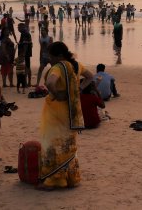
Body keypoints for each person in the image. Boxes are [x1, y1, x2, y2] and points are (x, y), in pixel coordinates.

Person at [38, 41, 93, 190]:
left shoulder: (59, 67)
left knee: (53, 143)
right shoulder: (76, 65)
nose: (50, 59)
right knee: (68, 143)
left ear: (60, 55)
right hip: (72, 110)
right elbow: (90, 77)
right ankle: (70, 179)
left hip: (56, 112)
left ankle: (55, 180)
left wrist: (56, 94)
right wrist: (78, 89)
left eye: (51, 56)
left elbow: (50, 82)